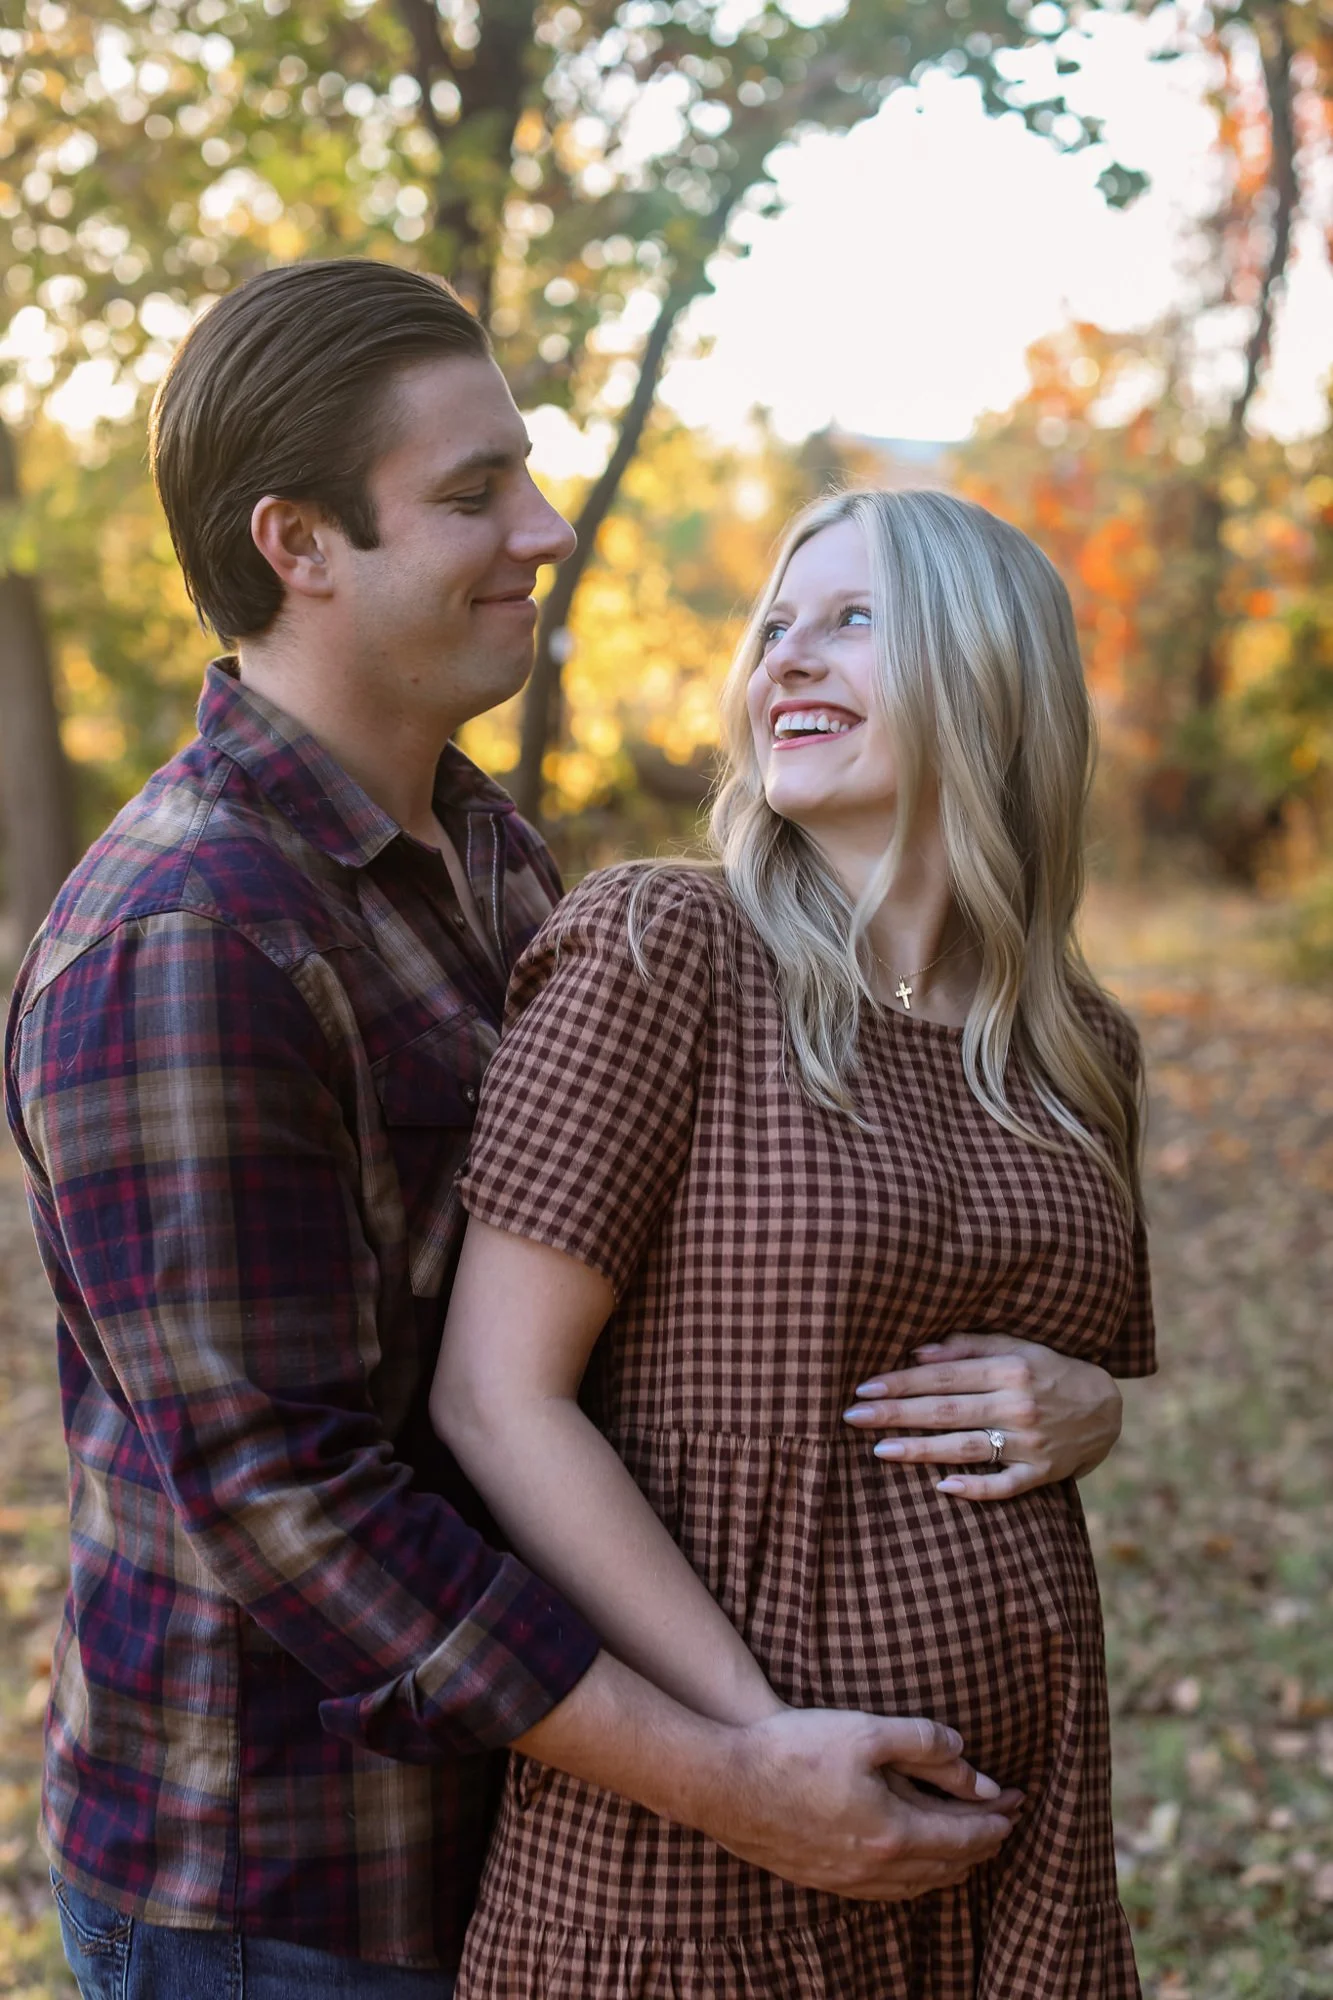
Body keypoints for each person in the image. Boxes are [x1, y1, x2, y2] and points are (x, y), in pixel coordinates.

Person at [3, 263, 1030, 2000]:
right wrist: (731, 1780)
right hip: (287, 1892)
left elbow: (679, 1279)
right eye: (473, 495)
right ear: (299, 544)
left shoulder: (490, 863)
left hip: (530, 1818)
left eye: (529, 475)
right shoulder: (186, 940)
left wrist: (1051, 1388)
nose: (545, 530)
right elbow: (293, 1503)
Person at [432, 487, 1156, 1997]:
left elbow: (1053, 1367)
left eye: (854, 620)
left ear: (992, 670)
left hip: (1012, 1853)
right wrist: (756, 1752)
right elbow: (498, 1397)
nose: (788, 659)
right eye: (774, 626)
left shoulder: (1076, 1045)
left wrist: (1092, 1405)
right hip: (708, 1846)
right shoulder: (661, 951)